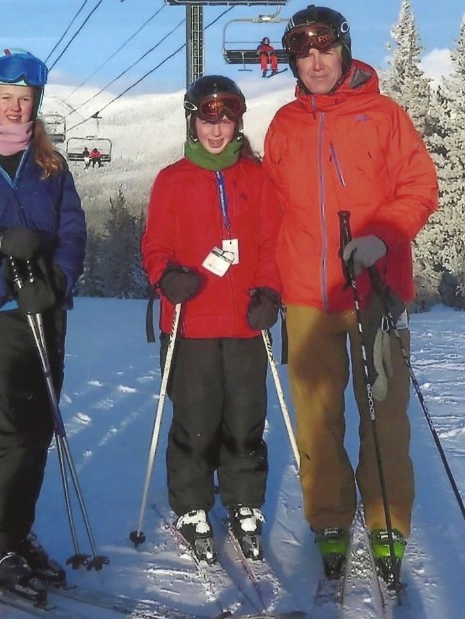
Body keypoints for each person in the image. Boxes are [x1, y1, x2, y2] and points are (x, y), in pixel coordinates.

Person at [262, 4, 438, 585]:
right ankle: (330, 517)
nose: (315, 61)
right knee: (317, 418)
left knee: (383, 416)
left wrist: (381, 239)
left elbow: (420, 187)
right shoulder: (285, 124)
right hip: (307, 296)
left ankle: (387, 522)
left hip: (376, 291)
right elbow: (270, 210)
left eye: (324, 48)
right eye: (303, 52)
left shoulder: (384, 116)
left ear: (343, 49)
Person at [0, 49, 87, 592]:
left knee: (42, 421)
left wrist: (60, 277)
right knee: (18, 424)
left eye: (25, 99)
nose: (15, 108)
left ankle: (14, 531)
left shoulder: (48, 161)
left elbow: (71, 226)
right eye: (6, 98)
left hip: (45, 301)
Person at [142, 75, 282, 564]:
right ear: (193, 121)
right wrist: (165, 275)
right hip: (191, 323)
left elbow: (270, 244)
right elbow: (155, 245)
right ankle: (191, 505)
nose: (216, 130)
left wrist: (270, 292)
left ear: (238, 122)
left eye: (225, 120)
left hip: (246, 322)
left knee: (246, 420)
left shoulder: (258, 177)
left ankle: (245, 502)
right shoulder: (172, 180)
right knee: (196, 421)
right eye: (207, 119)